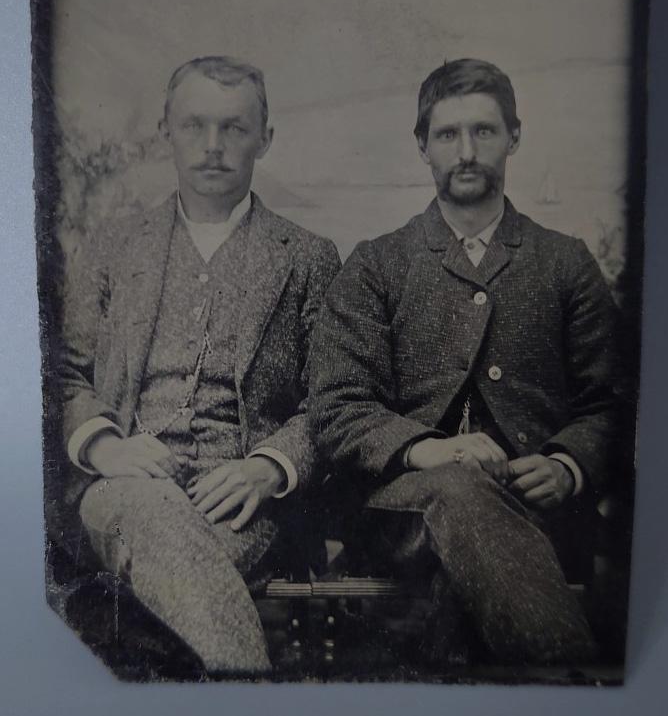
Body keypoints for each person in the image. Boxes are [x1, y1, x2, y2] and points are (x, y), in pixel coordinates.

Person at [310, 58, 629, 667]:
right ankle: (568, 683)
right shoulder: (378, 264)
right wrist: (430, 450)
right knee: (457, 489)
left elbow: (612, 405)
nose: (466, 151)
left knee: (455, 612)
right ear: (422, 147)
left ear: (514, 137)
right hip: (401, 513)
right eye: (448, 134)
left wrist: (568, 465)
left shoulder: (565, 263)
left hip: (539, 515)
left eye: (484, 131)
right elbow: (337, 407)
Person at [60, 55, 340, 676]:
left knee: (160, 585)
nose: (213, 147)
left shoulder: (309, 259)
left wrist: (269, 468)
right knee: (151, 517)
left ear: (265, 140)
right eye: (194, 126)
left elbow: (336, 401)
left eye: (234, 129)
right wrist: (104, 447)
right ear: (165, 131)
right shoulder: (111, 247)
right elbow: (64, 375)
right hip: (122, 489)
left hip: (243, 505)